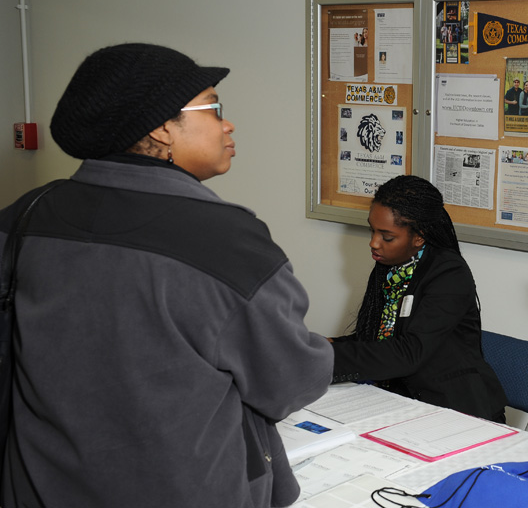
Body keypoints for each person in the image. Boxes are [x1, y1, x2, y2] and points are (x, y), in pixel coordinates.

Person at [0, 43, 334, 507]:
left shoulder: (21, 218)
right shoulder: (224, 241)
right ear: (160, 128)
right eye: (215, 109)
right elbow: (292, 380)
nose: (228, 124)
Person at [329, 175, 507, 422]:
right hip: (401, 400)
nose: (374, 242)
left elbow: (409, 352)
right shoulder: (391, 266)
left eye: (386, 236)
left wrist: (326, 357)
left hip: (456, 408)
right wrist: (331, 344)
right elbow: (384, 336)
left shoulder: (449, 273)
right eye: (372, 230)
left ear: (419, 236)